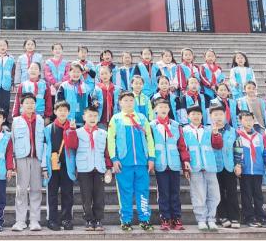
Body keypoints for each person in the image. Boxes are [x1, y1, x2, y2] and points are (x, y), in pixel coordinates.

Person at [107, 91, 155, 232]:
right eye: (125, 100)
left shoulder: (142, 118)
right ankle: (126, 220)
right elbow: (111, 140)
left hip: (142, 163)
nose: (128, 103)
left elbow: (149, 138)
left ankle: (144, 219)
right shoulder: (116, 119)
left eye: (131, 100)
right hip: (123, 164)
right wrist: (114, 159)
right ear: (120, 103)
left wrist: (151, 158)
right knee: (125, 193)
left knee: (143, 191)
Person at [64, 106, 112, 232]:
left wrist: (108, 168)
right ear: (84, 117)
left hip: (99, 168)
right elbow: (71, 145)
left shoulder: (103, 133)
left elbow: (107, 152)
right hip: (84, 169)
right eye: (90, 115)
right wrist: (72, 130)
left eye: (95, 116)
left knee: (99, 196)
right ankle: (89, 220)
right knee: (86, 196)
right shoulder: (77, 132)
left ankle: (98, 219)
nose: (92, 118)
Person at [181, 105, 222, 231]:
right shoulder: (184, 130)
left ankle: (211, 219)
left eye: (198, 114)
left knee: (214, 194)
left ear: (202, 116)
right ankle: (201, 219)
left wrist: (216, 133)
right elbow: (183, 148)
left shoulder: (208, 129)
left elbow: (218, 145)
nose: (196, 116)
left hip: (210, 166)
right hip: (194, 167)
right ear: (188, 116)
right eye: (193, 114)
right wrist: (185, 167)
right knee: (198, 195)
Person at [11, 93, 45, 232]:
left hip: (37, 158)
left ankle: (34, 220)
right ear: (22, 105)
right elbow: (13, 141)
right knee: (21, 190)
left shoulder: (40, 120)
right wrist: (13, 161)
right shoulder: (17, 121)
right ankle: (20, 221)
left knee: (36, 189)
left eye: (32, 103)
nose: (30, 105)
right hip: (21, 158)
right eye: (27, 103)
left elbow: (44, 141)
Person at [150, 99, 186, 231]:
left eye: (166, 107)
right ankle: (165, 217)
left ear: (169, 109)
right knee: (163, 192)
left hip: (174, 162)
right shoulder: (151, 126)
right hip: (160, 163)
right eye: (160, 107)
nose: (163, 109)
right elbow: (149, 145)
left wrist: (185, 161)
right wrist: (150, 160)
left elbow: (181, 145)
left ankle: (176, 217)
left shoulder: (176, 125)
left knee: (175, 192)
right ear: (155, 110)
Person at [42, 101, 77, 231]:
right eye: (60, 110)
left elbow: (75, 146)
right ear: (55, 112)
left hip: (68, 165)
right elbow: (44, 148)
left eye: (65, 110)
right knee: (52, 194)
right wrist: (44, 167)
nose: (62, 113)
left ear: (68, 112)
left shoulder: (73, 127)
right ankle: (52, 220)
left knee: (67, 193)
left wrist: (72, 131)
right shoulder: (48, 129)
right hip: (52, 165)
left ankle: (66, 219)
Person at [236, 111, 266, 228]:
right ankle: (249, 217)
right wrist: (239, 166)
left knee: (258, 195)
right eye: (245, 120)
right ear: (240, 121)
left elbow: (265, 151)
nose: (248, 122)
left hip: (257, 170)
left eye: (250, 120)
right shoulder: (238, 135)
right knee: (246, 195)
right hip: (245, 171)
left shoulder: (259, 136)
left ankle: (261, 217)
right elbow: (236, 153)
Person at [210, 102, 242, 229]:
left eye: (220, 114)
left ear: (225, 115)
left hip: (229, 166)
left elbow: (238, 149)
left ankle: (234, 217)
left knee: (232, 192)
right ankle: (222, 216)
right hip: (215, 167)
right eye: (215, 114)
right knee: (218, 193)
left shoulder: (233, 131)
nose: (218, 117)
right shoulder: (208, 131)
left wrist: (238, 164)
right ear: (211, 117)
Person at [57, 62, 93, 127]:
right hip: (67, 120)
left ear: (81, 73)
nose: (76, 74)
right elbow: (59, 103)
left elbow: (89, 104)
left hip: (82, 121)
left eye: (78, 72)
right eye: (73, 72)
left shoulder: (86, 87)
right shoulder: (64, 86)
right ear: (69, 72)